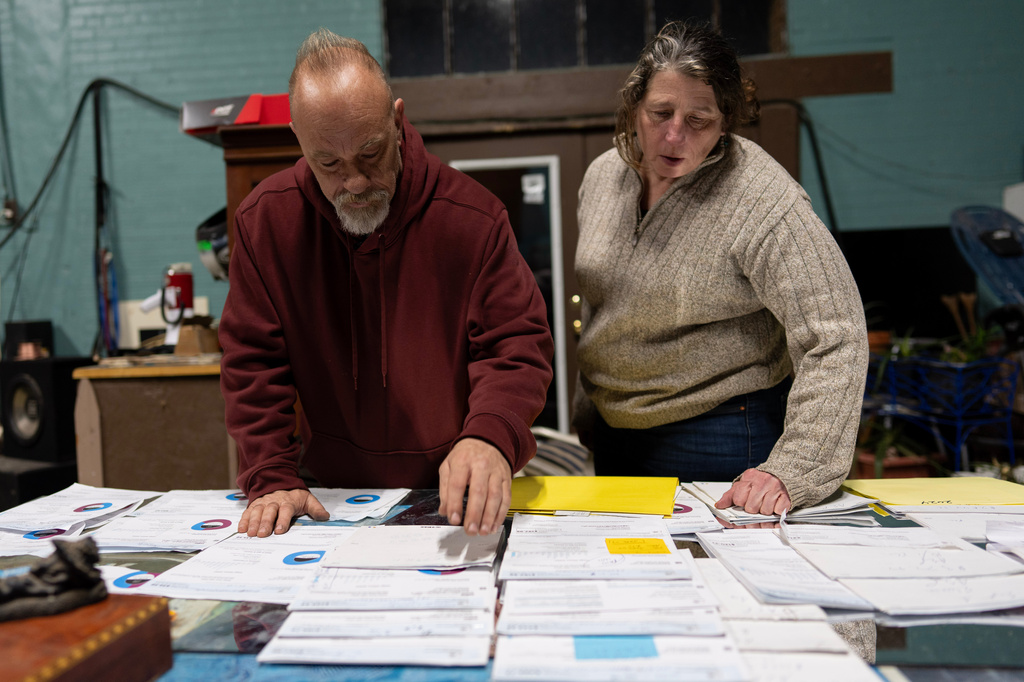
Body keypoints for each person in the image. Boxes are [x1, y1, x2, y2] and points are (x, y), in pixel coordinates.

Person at [219, 29, 553, 538]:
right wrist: (270, 473)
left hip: (455, 491)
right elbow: (253, 362)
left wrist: (490, 435)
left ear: (397, 121)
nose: (354, 182)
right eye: (328, 163)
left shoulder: (473, 219)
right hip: (324, 497)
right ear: (299, 141)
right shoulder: (266, 223)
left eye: (371, 154)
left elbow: (516, 346)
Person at [573, 21, 868, 516]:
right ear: (633, 108)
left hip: (721, 432)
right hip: (614, 432)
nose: (673, 135)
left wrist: (795, 466)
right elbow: (607, 306)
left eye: (699, 120)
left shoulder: (762, 198)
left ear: (726, 120)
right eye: (660, 113)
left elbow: (836, 333)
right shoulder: (603, 175)